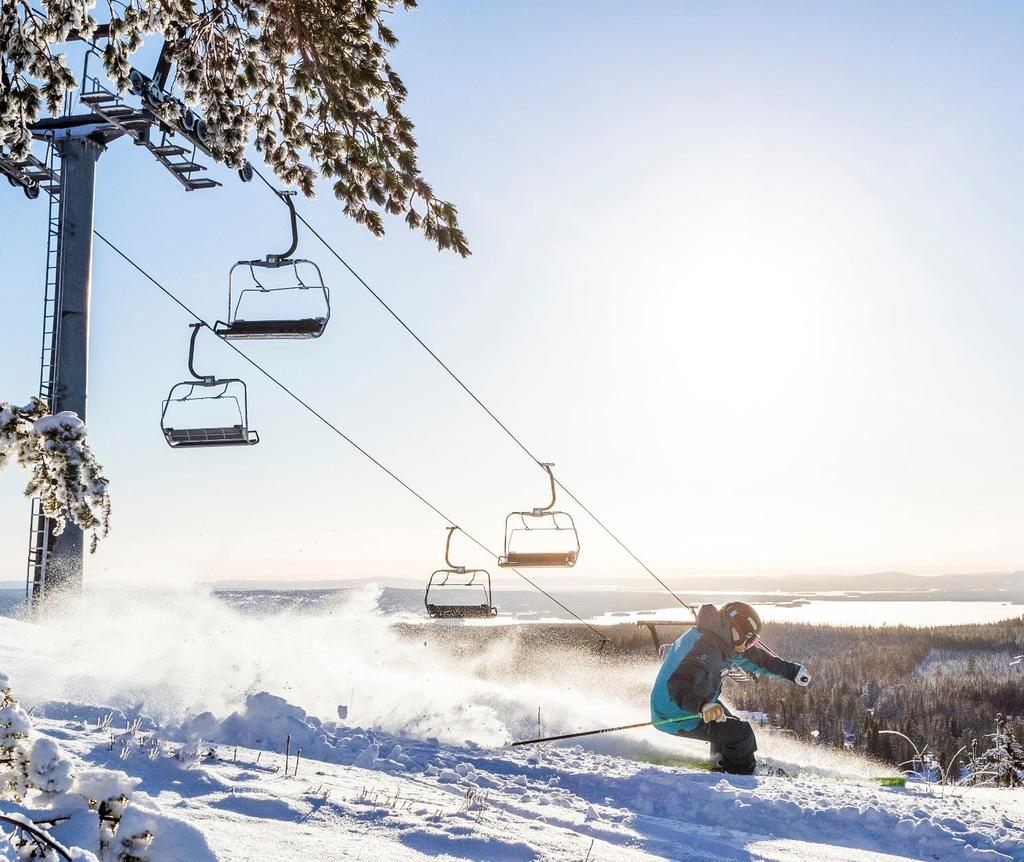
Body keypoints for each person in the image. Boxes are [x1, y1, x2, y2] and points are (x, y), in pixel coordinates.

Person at [649, 601, 811, 775]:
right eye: (749, 641)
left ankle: (721, 762)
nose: (748, 646)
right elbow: (678, 684)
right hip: (675, 712)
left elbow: (757, 659)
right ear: (737, 633)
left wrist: (792, 672)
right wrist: (702, 706)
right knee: (742, 734)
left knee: (728, 723)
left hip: (681, 703)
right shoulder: (706, 649)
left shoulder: (720, 639)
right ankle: (740, 774)